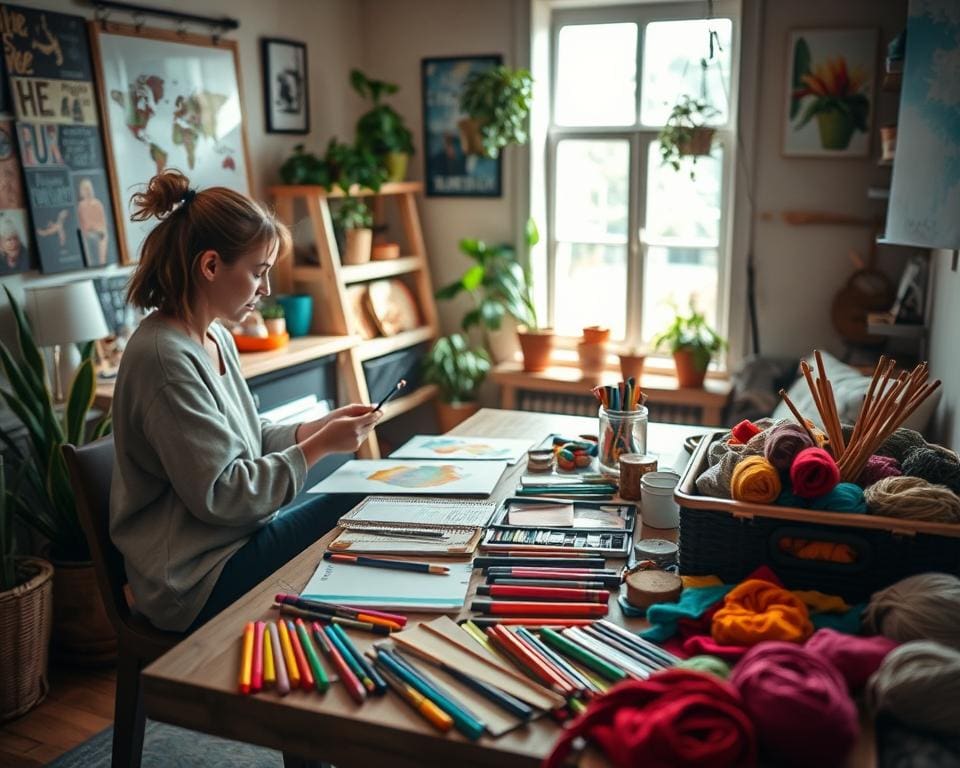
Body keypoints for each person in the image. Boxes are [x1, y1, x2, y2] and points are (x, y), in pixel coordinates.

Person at [110, 169, 381, 633]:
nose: (267, 290)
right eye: (258, 273)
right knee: (360, 498)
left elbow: (248, 438)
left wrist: (313, 429)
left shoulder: (214, 337)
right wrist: (316, 449)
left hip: (233, 543)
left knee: (363, 494)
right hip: (194, 578)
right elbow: (223, 493)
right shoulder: (164, 360)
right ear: (211, 266)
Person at [76, 177, 110, 266]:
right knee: (90, 238)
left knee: (103, 236)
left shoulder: (98, 204)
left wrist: (100, 230)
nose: (88, 191)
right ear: (82, 191)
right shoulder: (81, 206)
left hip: (100, 232)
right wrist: (92, 229)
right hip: (88, 233)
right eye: (85, 189)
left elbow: (103, 222)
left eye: (89, 188)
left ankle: (102, 262)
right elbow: (83, 224)